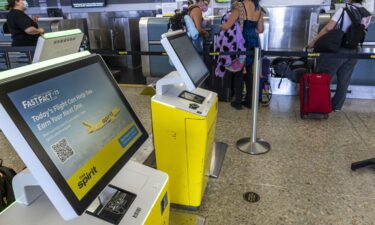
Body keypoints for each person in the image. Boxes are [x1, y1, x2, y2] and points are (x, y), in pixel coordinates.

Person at [307, 0, 371, 112]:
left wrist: (314, 41)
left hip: (339, 49)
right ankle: (336, 106)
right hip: (354, 50)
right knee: (344, 80)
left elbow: (328, 28)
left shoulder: (344, 9)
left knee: (324, 77)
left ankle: (320, 104)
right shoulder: (366, 13)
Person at [220, 0, 264, 110]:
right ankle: (249, 102)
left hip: (241, 42)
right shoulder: (258, 8)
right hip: (254, 42)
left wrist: (221, 25)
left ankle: (238, 102)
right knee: (249, 72)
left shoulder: (239, 6)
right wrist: (251, 30)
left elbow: (227, 26)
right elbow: (260, 29)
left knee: (239, 72)